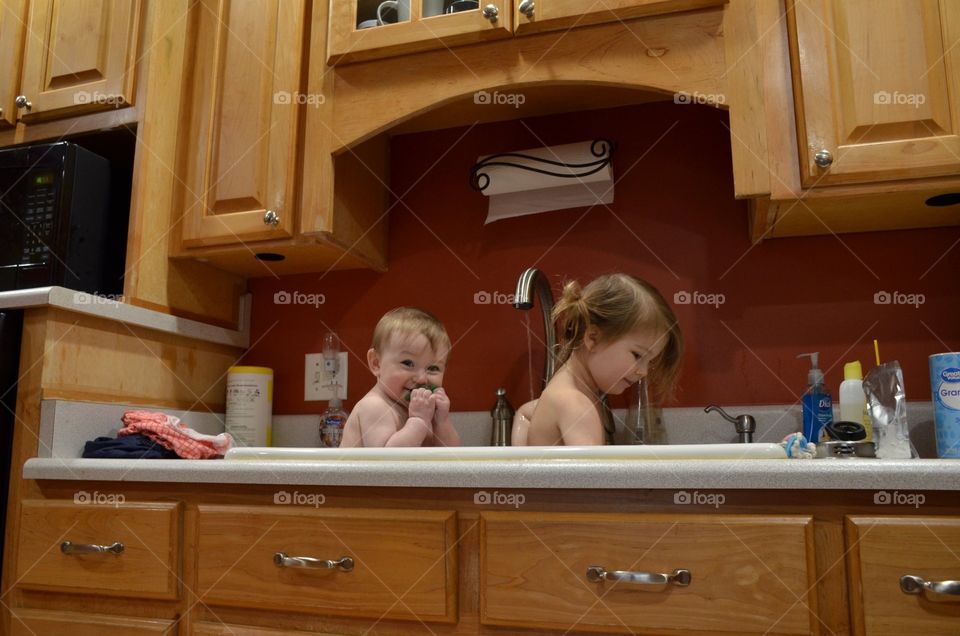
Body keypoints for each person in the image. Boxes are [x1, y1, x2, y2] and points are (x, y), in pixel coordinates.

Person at [525, 273, 683, 446]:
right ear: (593, 338)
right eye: (637, 355)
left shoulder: (563, 393)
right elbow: (594, 474)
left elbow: (525, 412)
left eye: (650, 361)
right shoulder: (576, 405)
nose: (643, 372)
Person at [340, 307, 460, 447]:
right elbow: (387, 463)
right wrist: (418, 421)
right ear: (376, 363)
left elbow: (451, 458)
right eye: (408, 363)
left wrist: (442, 422)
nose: (422, 379)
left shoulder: (423, 409)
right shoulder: (374, 406)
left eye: (433, 368)